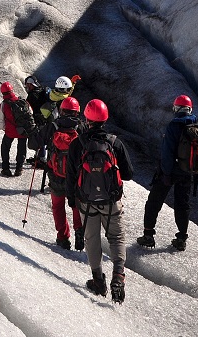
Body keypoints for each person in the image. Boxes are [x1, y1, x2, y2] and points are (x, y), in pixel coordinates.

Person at [67, 99, 134, 304]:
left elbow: (70, 176)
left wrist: (72, 201)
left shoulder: (78, 144)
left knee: (92, 239)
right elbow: (129, 174)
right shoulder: (114, 142)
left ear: (86, 118)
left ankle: (98, 280)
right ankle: (118, 277)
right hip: (111, 199)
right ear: (105, 119)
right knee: (116, 237)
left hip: (86, 201)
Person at [137, 95, 198, 252]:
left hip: (170, 172)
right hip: (187, 173)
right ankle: (181, 239)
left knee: (154, 202)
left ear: (177, 109)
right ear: (190, 109)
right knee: (182, 205)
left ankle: (148, 235)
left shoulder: (174, 126)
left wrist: (165, 173)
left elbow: (167, 152)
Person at [46, 96, 84, 250]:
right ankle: (79, 231)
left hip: (56, 175)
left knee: (58, 206)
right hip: (75, 176)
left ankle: (63, 237)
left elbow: (34, 142)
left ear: (61, 110)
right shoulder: (81, 128)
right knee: (76, 205)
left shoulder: (53, 126)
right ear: (77, 112)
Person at [0, 82, 29, 176]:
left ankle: (6, 168)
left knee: (5, 147)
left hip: (10, 131)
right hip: (22, 130)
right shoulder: (22, 101)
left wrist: (4, 128)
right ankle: (19, 168)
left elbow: (0, 120)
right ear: (12, 90)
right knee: (22, 148)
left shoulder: (4, 104)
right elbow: (30, 112)